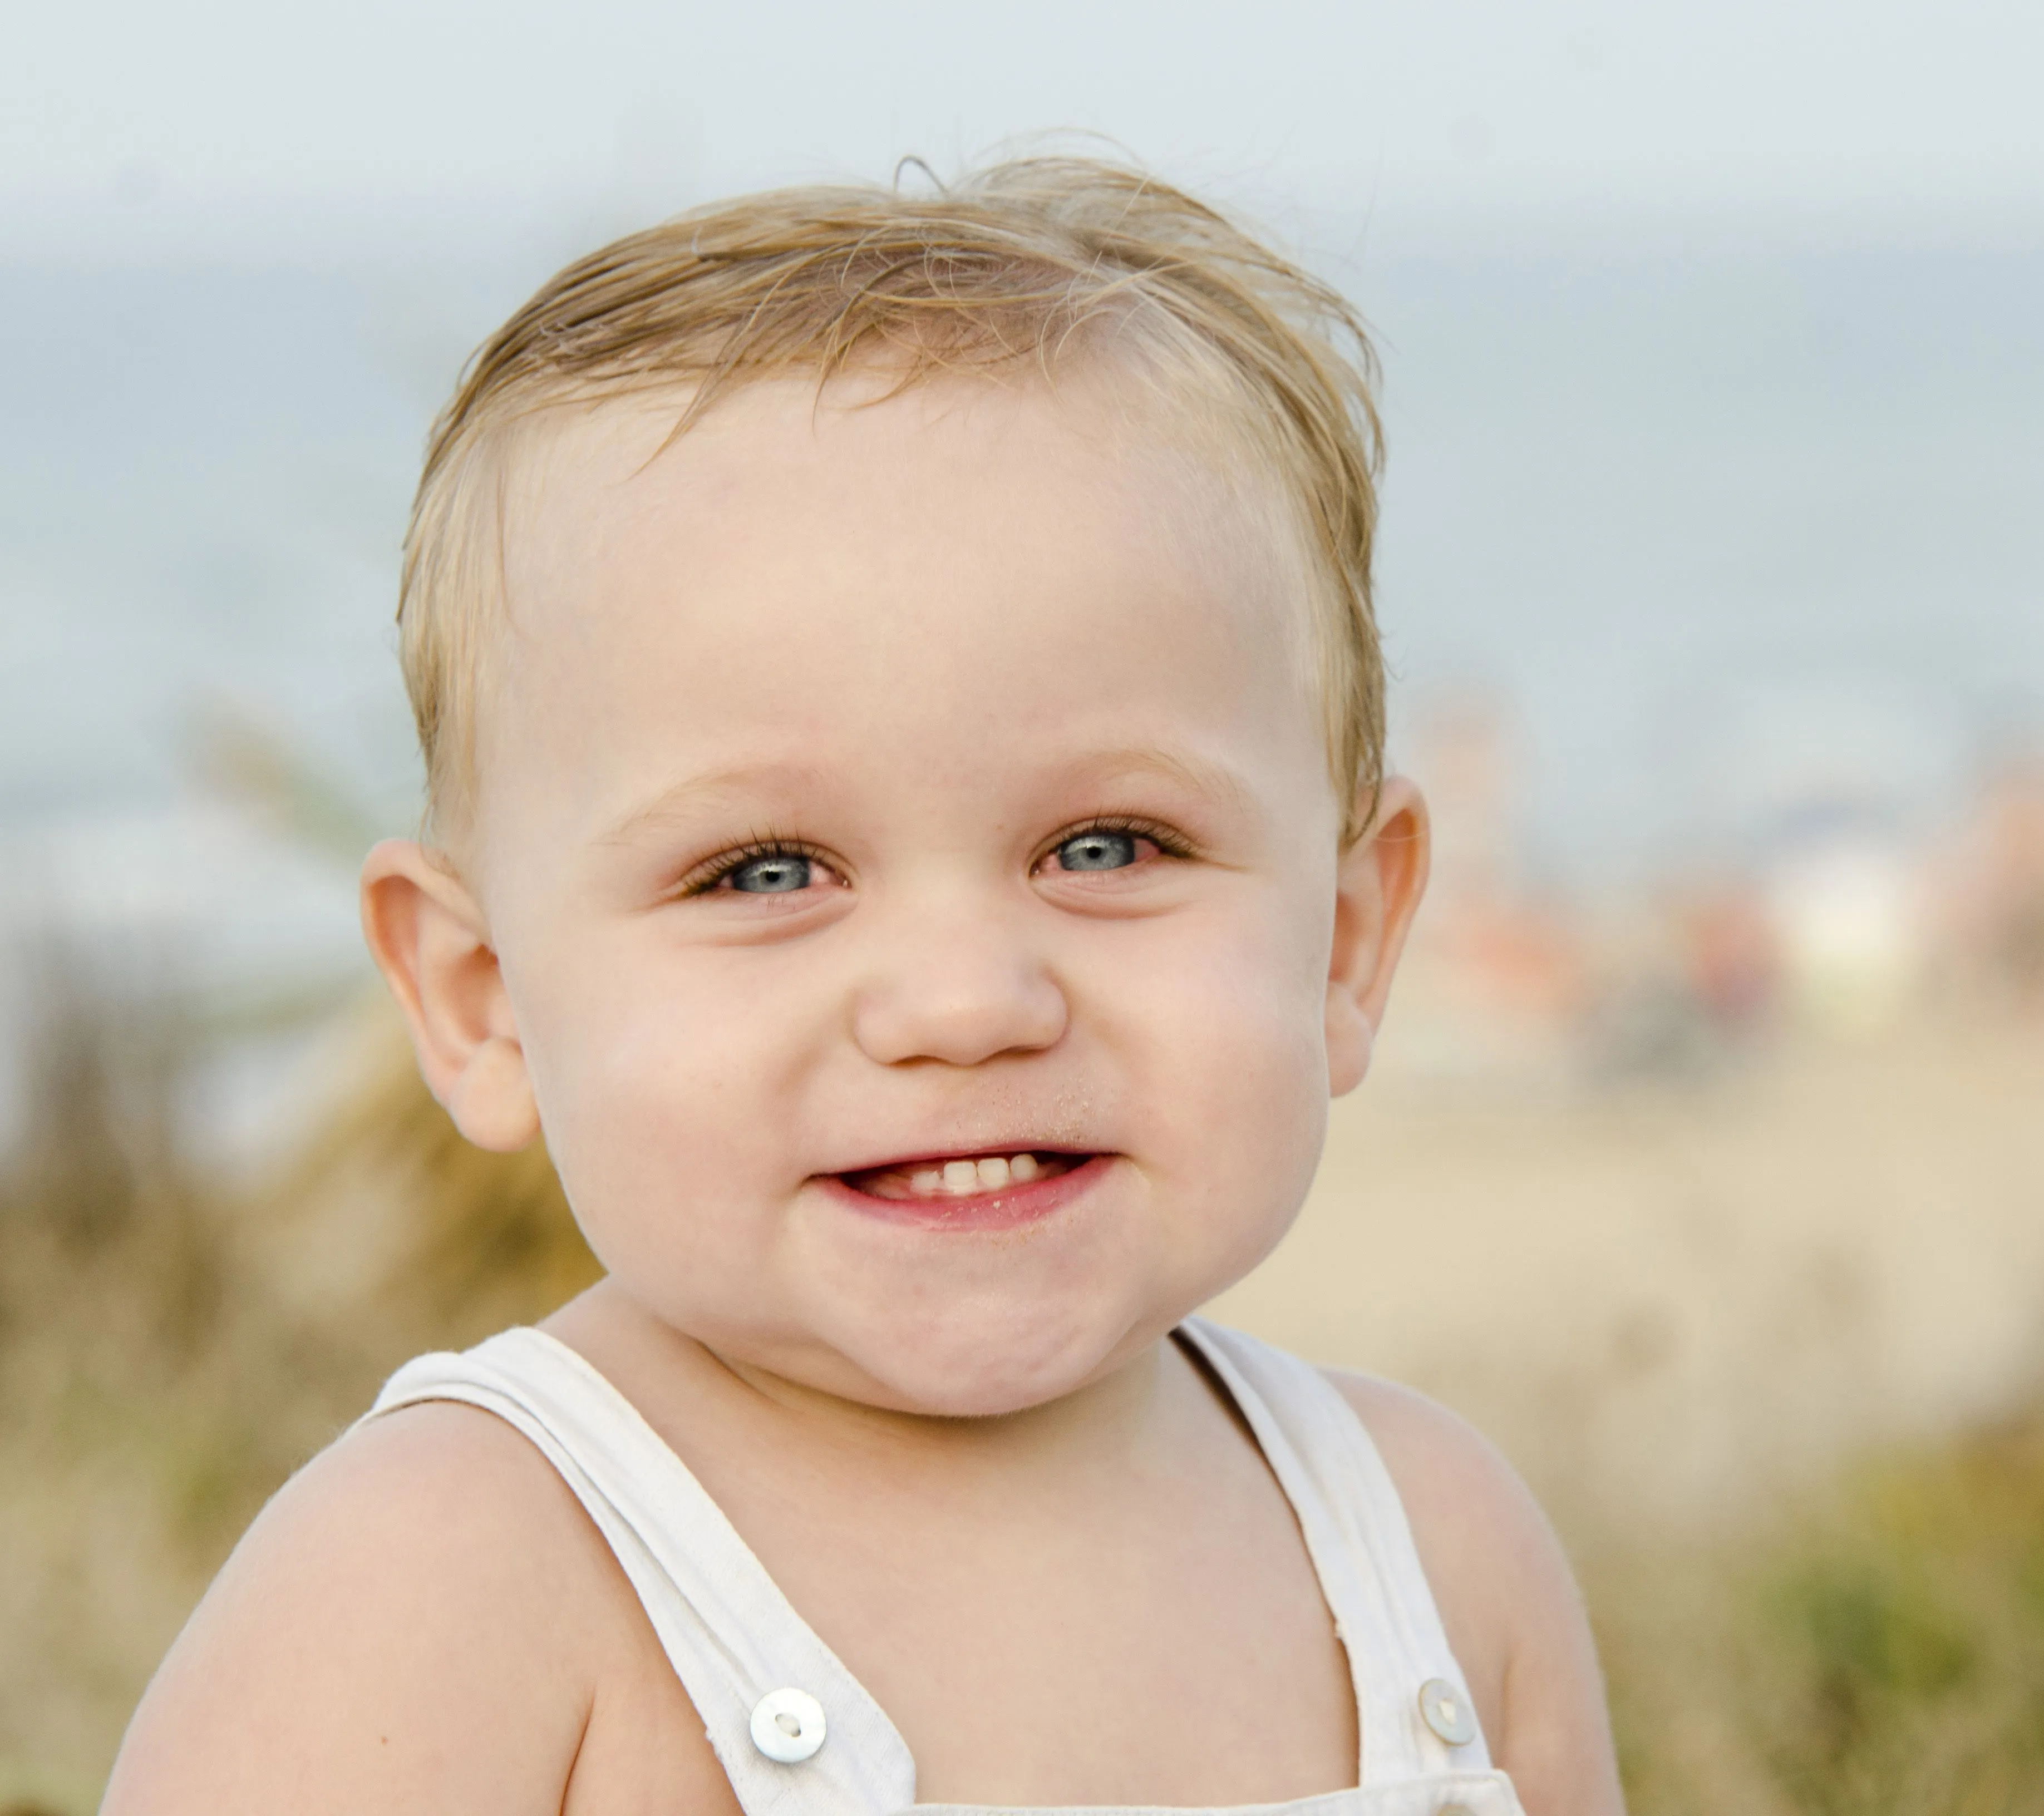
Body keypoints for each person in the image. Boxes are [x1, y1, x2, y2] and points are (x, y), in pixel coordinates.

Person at [102, 159, 1623, 1815]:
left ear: (1344, 939)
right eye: (766, 874)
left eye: (1108, 846)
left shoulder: (1438, 1561)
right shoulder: (445, 1587)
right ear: (481, 1001)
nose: (965, 1005)